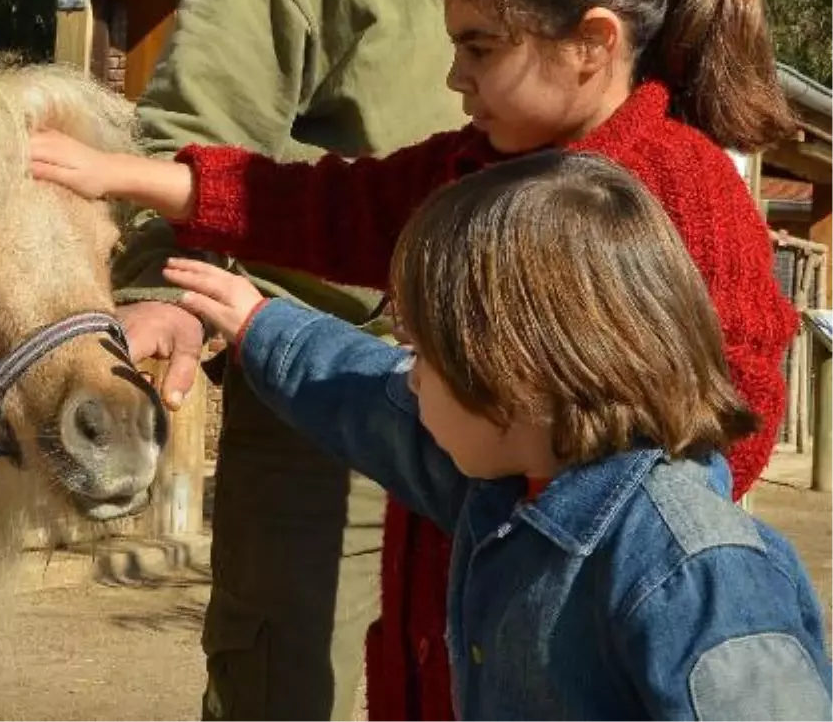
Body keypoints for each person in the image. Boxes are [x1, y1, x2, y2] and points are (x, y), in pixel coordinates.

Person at [28, 0, 800, 718]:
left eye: (479, 48)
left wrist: (557, 489)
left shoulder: (682, 194)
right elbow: (319, 206)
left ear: (592, 43)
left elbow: (737, 396)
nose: (454, 78)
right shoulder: (471, 167)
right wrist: (123, 176)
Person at [162, 150, 833, 720]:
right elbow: (368, 398)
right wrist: (258, 325)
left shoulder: (696, 572)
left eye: (421, 355)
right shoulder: (510, 480)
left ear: (511, 371)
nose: (411, 379)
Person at [105, 0, 465, 720]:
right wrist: (166, 290)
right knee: (296, 692)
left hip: (539, 420)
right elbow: (195, 132)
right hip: (332, 406)